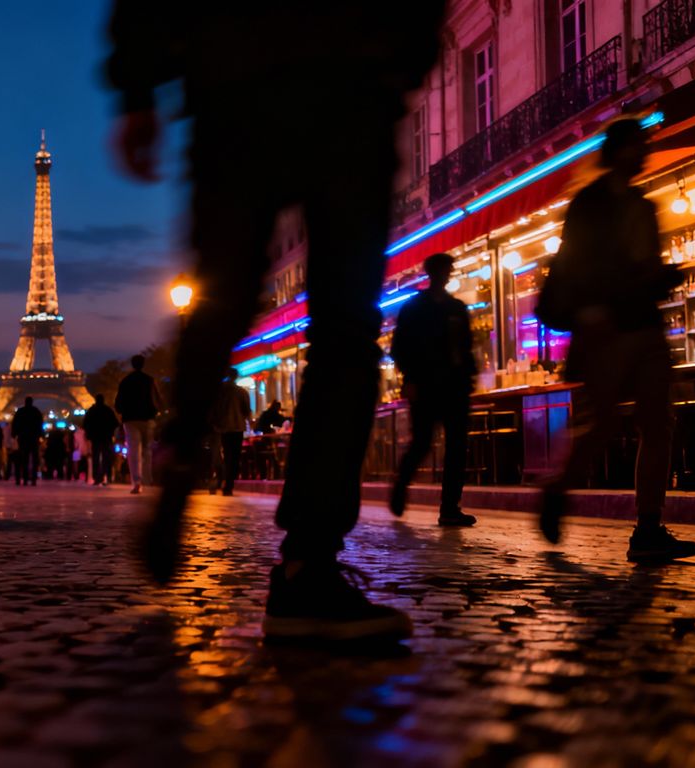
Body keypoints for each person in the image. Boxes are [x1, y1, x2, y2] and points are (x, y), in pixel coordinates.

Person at [108, 1, 447, 641]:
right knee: (345, 333)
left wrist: (138, 88)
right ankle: (306, 564)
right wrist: (406, 54)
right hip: (350, 76)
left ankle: (182, 447)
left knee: (222, 298)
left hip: (235, 76)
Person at [536, 119, 695, 563]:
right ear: (619, 150)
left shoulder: (643, 206)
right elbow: (573, 262)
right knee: (602, 424)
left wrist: (663, 277)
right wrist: (588, 307)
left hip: (643, 324)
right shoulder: (590, 202)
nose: (644, 151)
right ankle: (557, 490)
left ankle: (648, 526)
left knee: (657, 423)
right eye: (637, 144)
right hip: (605, 327)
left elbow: (643, 267)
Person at [387, 253, 478, 526]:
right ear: (434, 273)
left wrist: (467, 377)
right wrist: (411, 378)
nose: (447, 275)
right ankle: (402, 485)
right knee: (423, 441)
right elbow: (401, 348)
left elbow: (466, 347)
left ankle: (450, 507)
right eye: (445, 270)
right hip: (427, 384)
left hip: (454, 386)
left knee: (456, 447)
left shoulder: (456, 308)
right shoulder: (417, 308)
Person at [114, 354, 162, 494]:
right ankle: (148, 479)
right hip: (147, 419)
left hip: (131, 419)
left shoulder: (125, 381)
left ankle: (137, 482)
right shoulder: (150, 380)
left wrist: (123, 411)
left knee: (133, 451)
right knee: (147, 450)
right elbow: (158, 400)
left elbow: (118, 403)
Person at [208, 369, 251, 496]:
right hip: (237, 428)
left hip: (224, 428)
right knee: (235, 456)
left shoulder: (221, 392)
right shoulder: (242, 392)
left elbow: (214, 410)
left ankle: (223, 481)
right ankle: (229, 485)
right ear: (236, 377)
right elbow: (246, 410)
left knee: (226, 455)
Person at [82, 393, 119, 486]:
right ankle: (108, 476)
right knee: (107, 457)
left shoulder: (91, 411)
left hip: (95, 437)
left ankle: (97, 477)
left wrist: (89, 434)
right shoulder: (108, 410)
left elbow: (85, 424)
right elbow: (115, 423)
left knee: (96, 457)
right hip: (106, 437)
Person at [11, 397, 44, 486]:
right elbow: (40, 423)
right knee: (34, 459)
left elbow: (15, 423)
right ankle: (33, 479)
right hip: (33, 438)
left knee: (24, 459)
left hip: (23, 437)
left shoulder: (20, 411)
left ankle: (25, 479)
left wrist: (14, 434)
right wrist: (40, 435)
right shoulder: (36, 411)